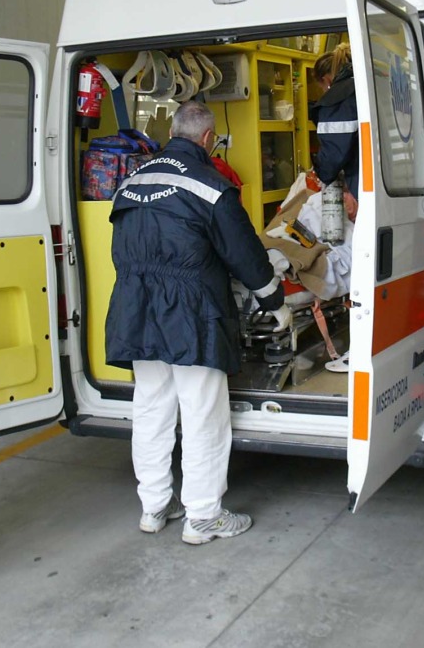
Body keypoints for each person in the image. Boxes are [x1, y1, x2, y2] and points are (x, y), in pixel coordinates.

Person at [106, 101, 286, 545]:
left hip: (136, 306)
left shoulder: (131, 181)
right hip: (191, 310)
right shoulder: (210, 185)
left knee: (151, 408)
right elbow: (243, 252)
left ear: (173, 131)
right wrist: (272, 297)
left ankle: (154, 507)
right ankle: (203, 516)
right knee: (203, 412)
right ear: (208, 139)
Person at [310, 44, 360, 201]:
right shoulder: (368, 83)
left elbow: (333, 155)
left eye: (323, 88)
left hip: (362, 182)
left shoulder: (338, 99)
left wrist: (320, 171)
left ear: (327, 80)